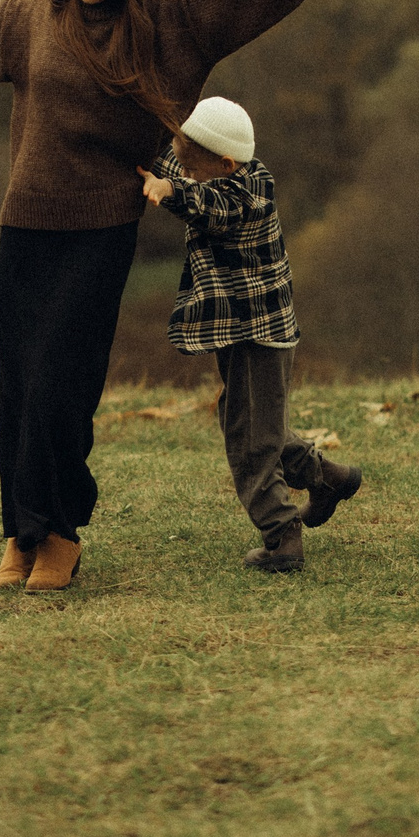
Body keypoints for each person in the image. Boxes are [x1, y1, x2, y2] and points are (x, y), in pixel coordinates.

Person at [0, 0, 396, 593]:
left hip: (99, 231)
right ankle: (21, 529)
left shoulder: (170, 22)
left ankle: (61, 531)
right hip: (24, 225)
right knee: (19, 385)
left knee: (64, 386)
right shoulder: (35, 15)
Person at [141, 96, 362, 573]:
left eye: (192, 166)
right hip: (243, 331)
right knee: (245, 416)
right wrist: (153, 157)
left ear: (224, 163)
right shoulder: (226, 169)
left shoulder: (247, 193)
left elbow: (210, 203)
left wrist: (172, 192)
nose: (185, 171)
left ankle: (282, 535)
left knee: (250, 438)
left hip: (259, 335)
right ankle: (324, 477)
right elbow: (185, 173)